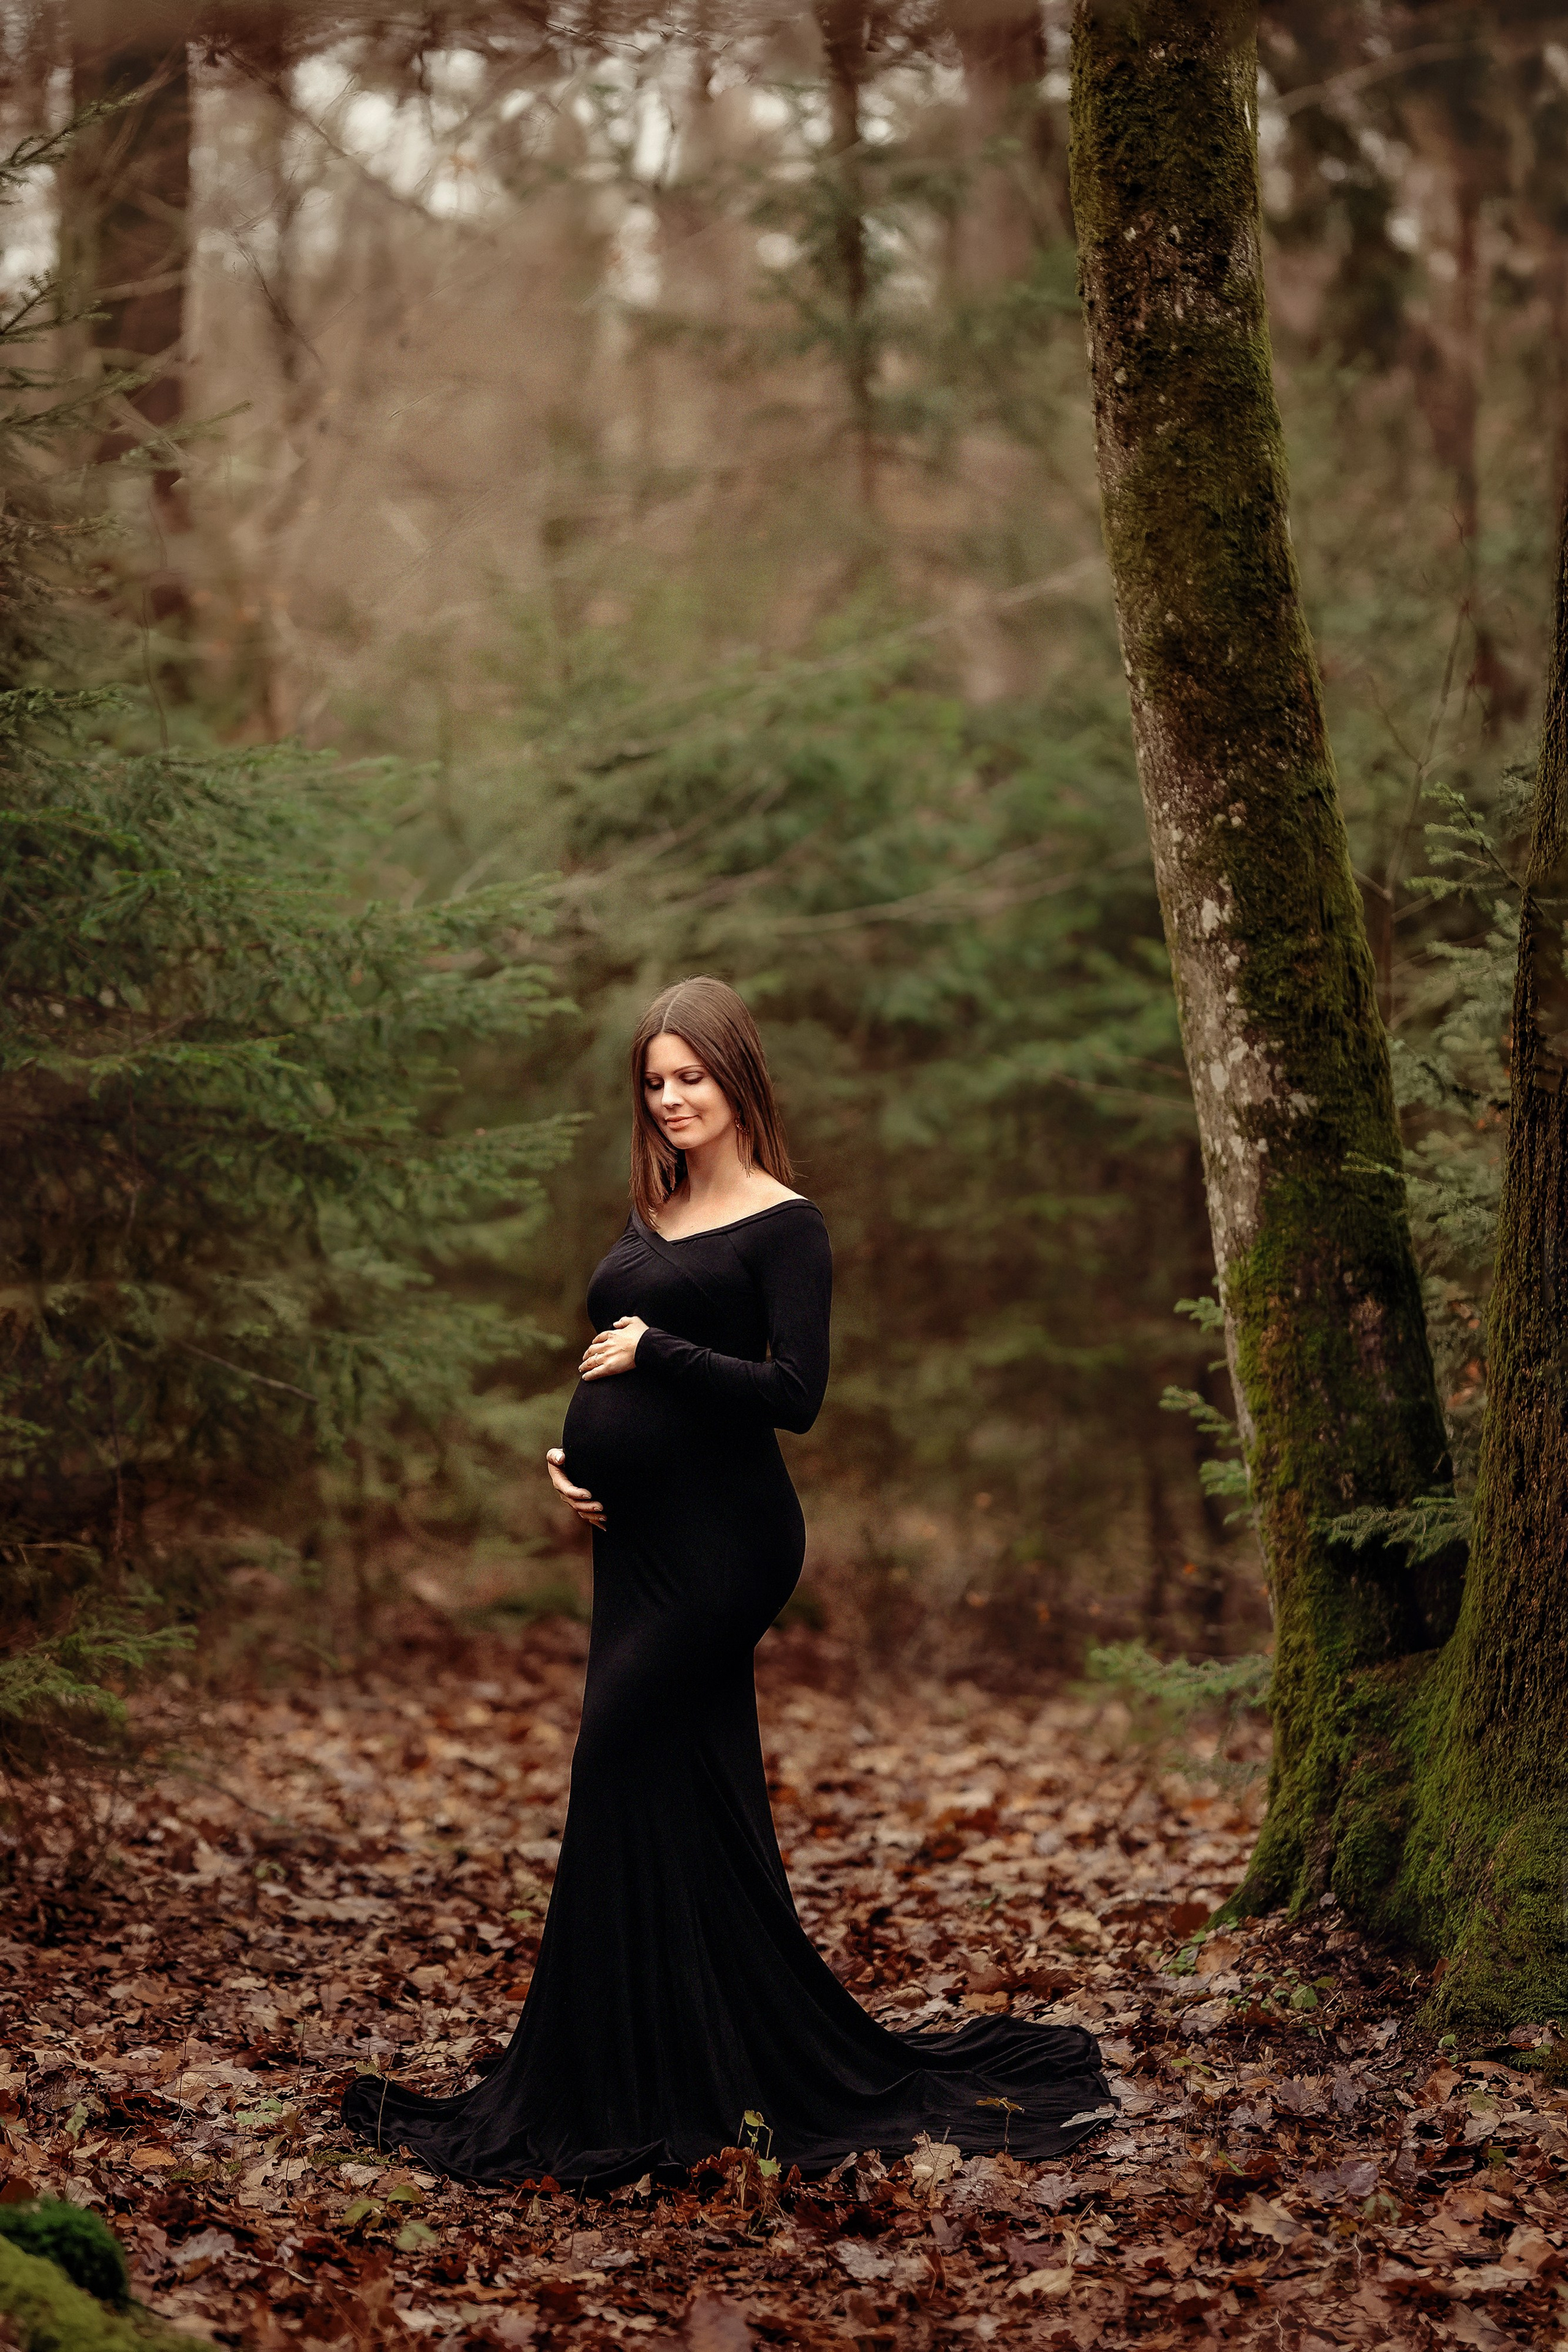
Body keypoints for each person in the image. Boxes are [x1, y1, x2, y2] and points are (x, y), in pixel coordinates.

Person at [342, 976, 1109, 2187]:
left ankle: (623, 2072)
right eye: (652, 1082)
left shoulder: (784, 1225)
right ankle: (667, 2064)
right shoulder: (655, 1208)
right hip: (631, 1541)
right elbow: (619, 1371)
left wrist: (659, 1352)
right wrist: (576, 1453)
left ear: (735, 1077)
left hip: (726, 1548)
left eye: (688, 1077)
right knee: (672, 1786)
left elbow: (792, 1395)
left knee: (610, 1755)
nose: (668, 1099)